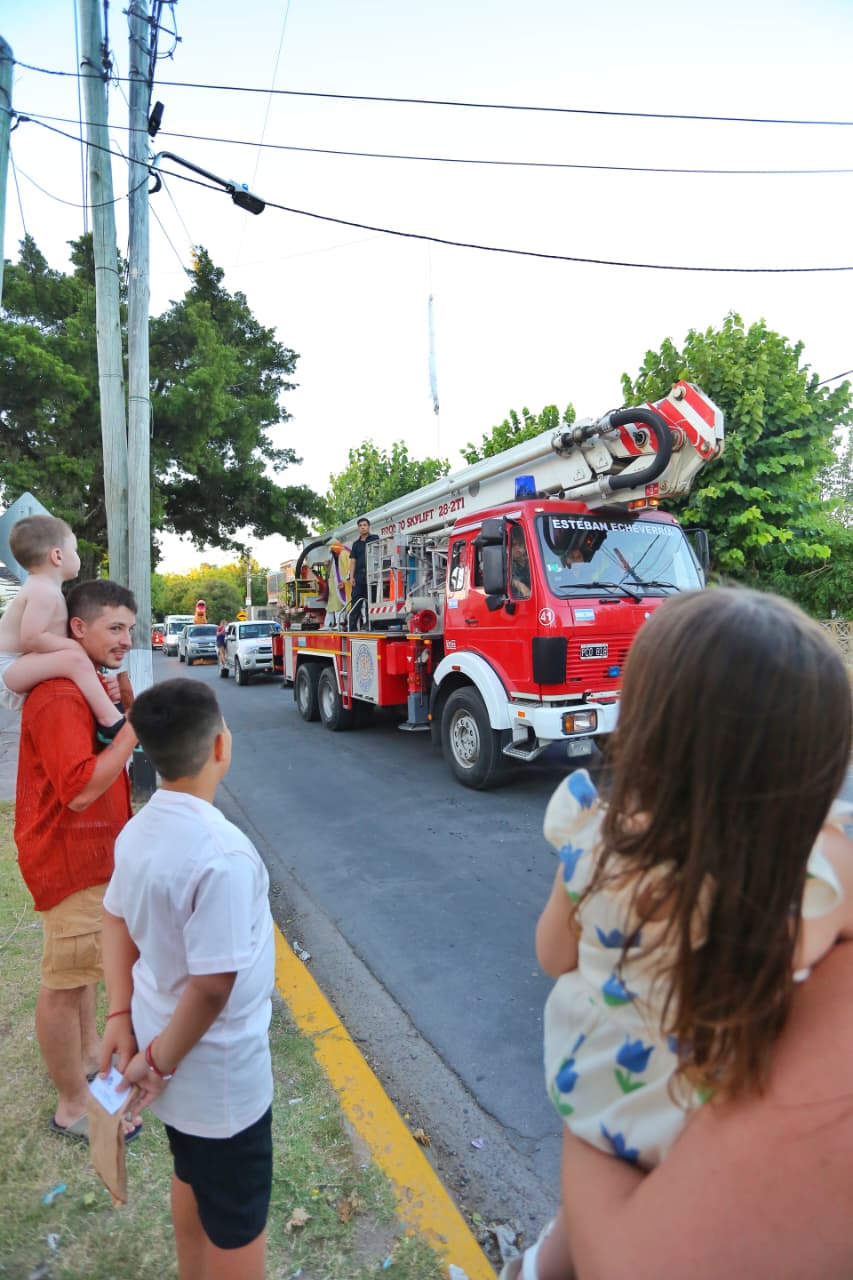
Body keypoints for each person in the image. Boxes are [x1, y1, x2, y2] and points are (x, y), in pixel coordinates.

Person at [504, 587, 853, 1280]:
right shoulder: (813, 875)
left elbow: (551, 954)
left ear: (642, 727)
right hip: (700, 1113)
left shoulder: (592, 842)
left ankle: (539, 1266)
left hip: (594, 1093)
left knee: (571, 1230)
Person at [100, 678, 275, 1280]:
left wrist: (119, 1015)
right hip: (216, 1076)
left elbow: (114, 917)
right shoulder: (223, 854)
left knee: (192, 1175)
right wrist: (158, 1062)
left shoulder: (138, 829)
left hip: (162, 1047)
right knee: (238, 1220)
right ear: (221, 746)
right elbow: (212, 985)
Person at [14, 578, 139, 1141]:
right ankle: (71, 1105)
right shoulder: (62, 695)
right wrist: (132, 730)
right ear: (78, 628)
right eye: (115, 628)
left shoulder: (85, 686)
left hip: (92, 856)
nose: (126, 640)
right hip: (72, 860)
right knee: (64, 984)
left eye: (130, 629)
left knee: (85, 970)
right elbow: (81, 789)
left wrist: (123, 714)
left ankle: (89, 1061)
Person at [0, 515, 126, 741]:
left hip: (18, 664)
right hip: (8, 667)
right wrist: (72, 647)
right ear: (57, 556)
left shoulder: (47, 588)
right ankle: (110, 720)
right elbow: (32, 638)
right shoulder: (42, 590)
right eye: (74, 550)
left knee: (76, 661)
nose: (77, 556)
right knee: (73, 659)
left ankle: (105, 707)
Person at [348, 517, 378, 630]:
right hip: (359, 577)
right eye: (360, 526)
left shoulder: (375, 539)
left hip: (373, 576)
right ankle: (352, 627)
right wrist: (351, 577)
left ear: (368, 526)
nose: (362, 527)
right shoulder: (356, 544)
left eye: (364, 525)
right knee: (356, 602)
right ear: (358, 528)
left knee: (372, 602)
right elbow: (353, 561)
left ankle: (371, 626)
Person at [509, 526, 532, 598]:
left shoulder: (531, 562)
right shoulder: (508, 565)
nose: (518, 547)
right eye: (514, 545)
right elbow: (508, 578)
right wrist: (519, 584)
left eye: (520, 544)